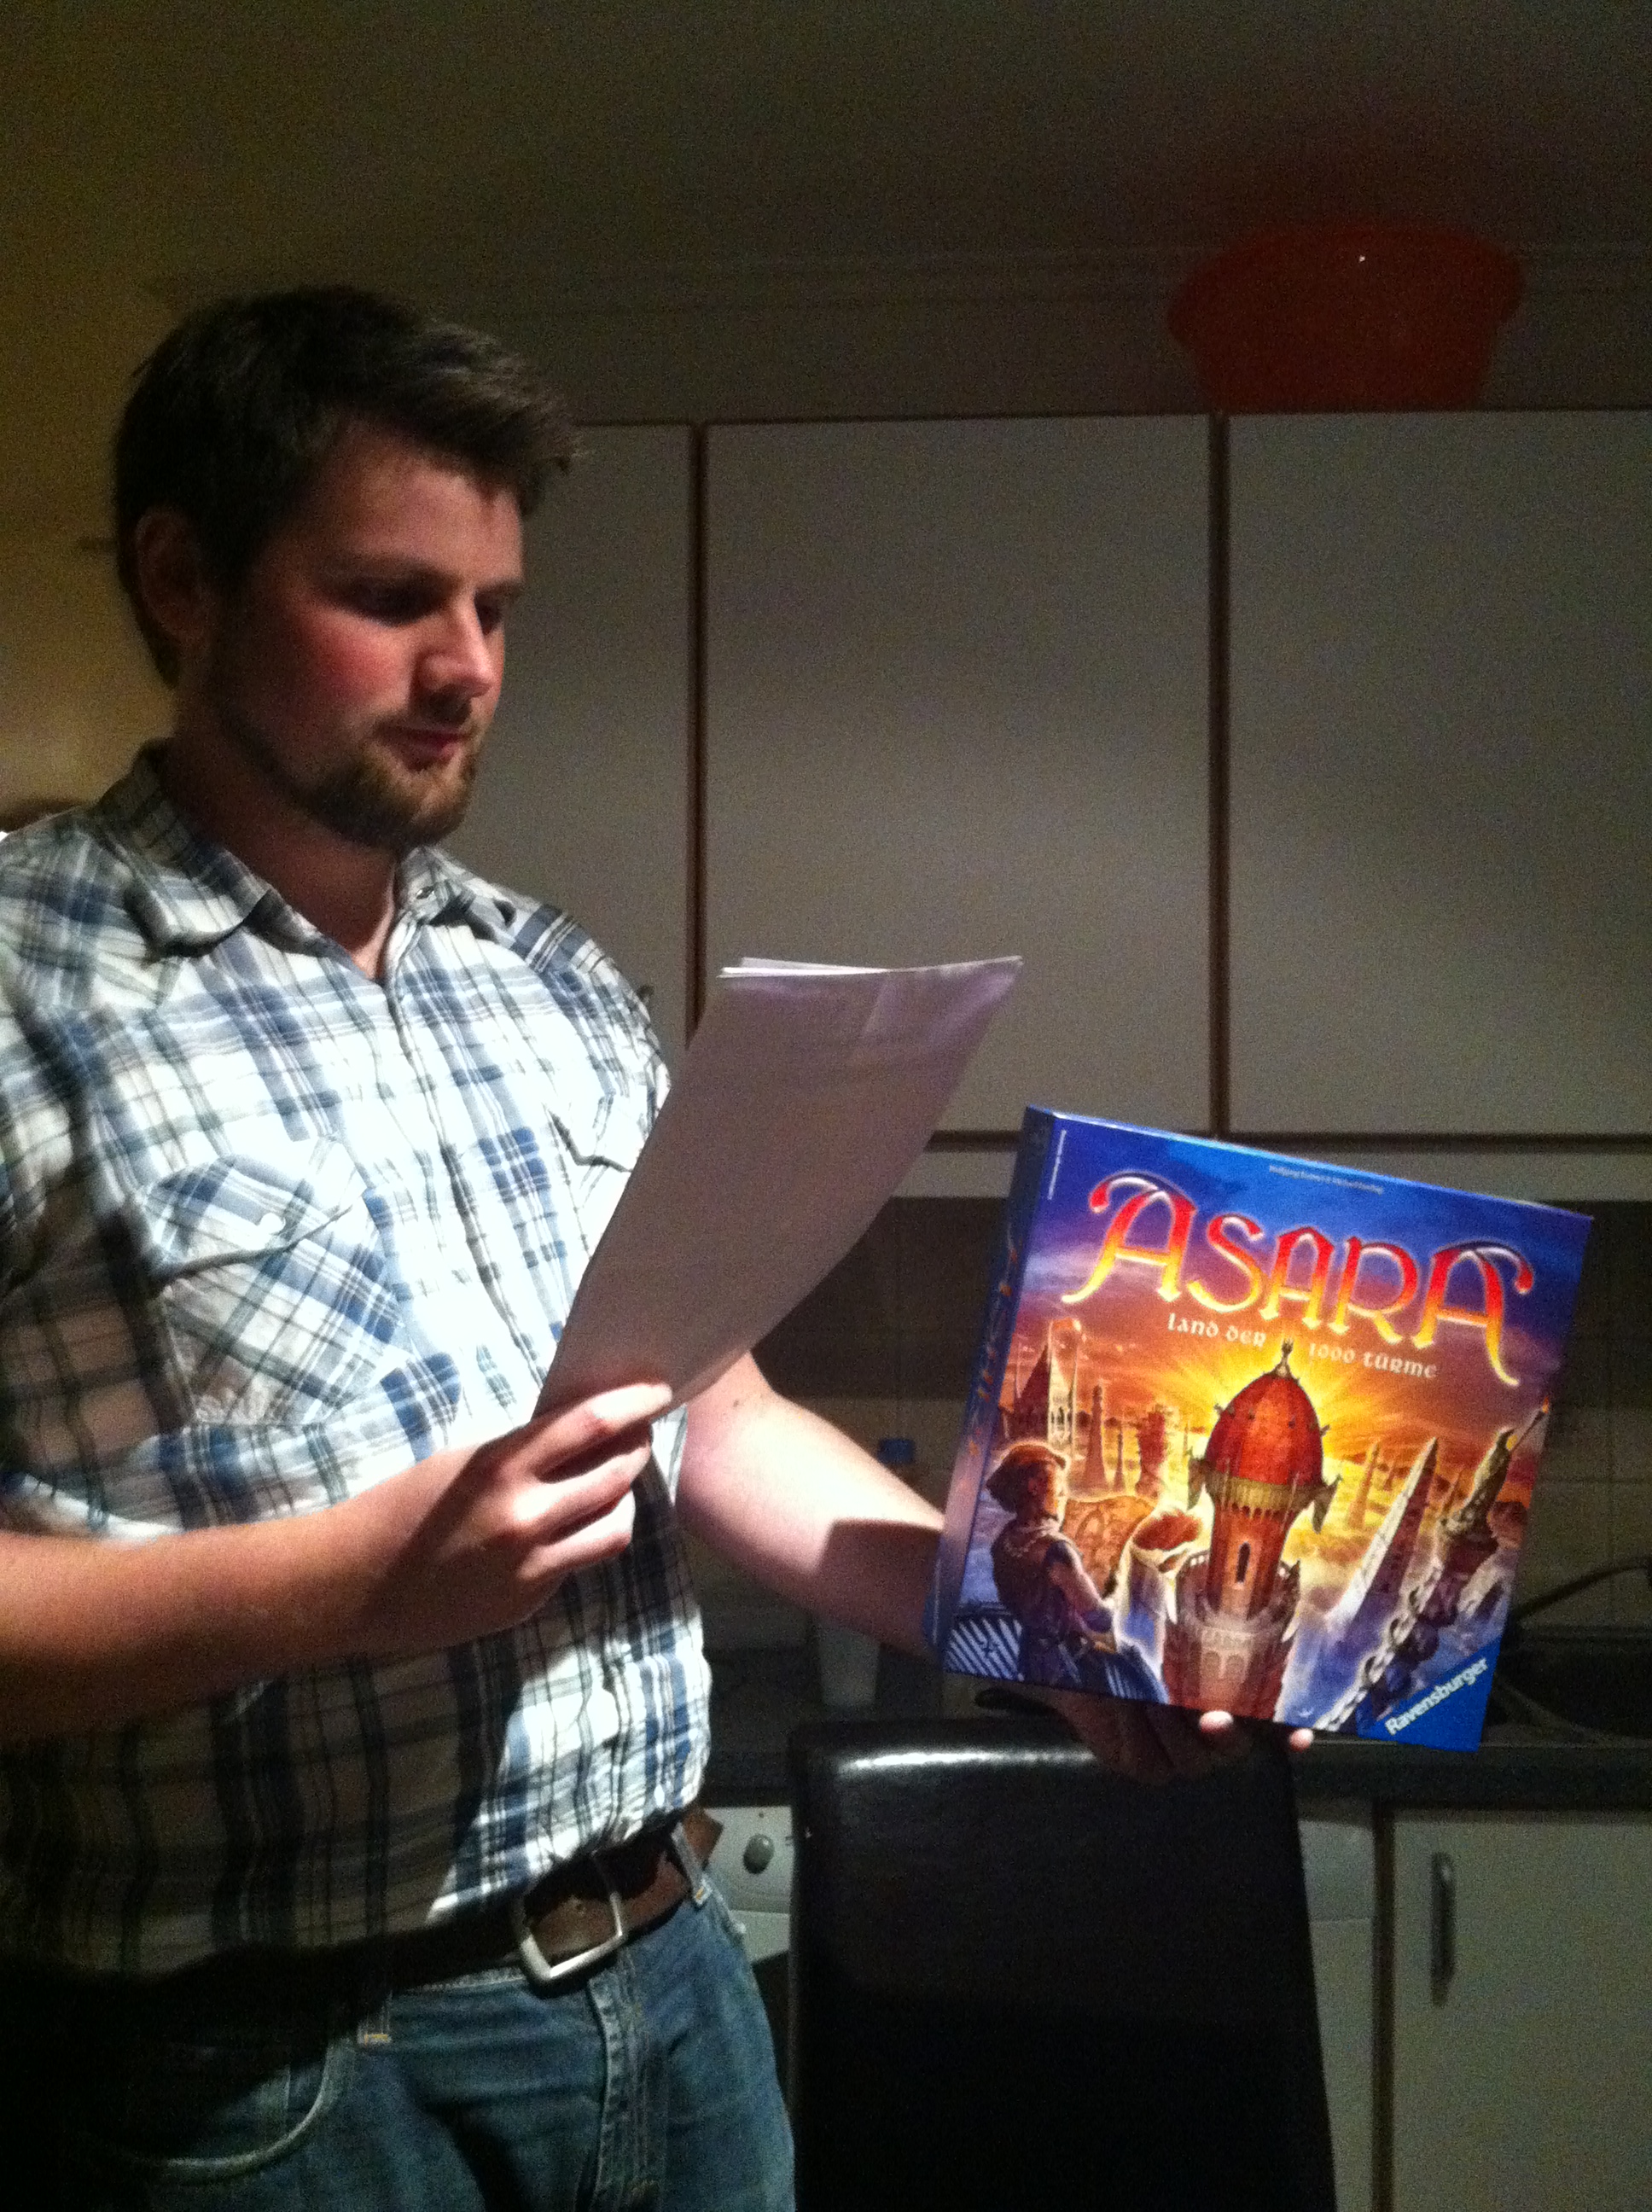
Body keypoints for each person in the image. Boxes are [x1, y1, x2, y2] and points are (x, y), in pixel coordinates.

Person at [0, 287, 944, 2211]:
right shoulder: (25, 984)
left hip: (673, 1997)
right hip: (264, 2084)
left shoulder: (555, 982)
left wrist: (1028, 1624)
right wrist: (349, 1589)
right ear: (182, 579)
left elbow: (720, 1420)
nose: (466, 670)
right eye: (390, 598)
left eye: (495, 609)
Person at [986, 1440, 1164, 1701]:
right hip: (1070, 1670)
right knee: (1137, 1667)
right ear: (1034, 1487)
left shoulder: (1003, 1542)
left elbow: (1011, 1601)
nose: (1064, 1497)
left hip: (1030, 1659)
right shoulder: (1057, 1550)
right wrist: (1113, 1589)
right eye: (1059, 1489)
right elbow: (1100, 1620)